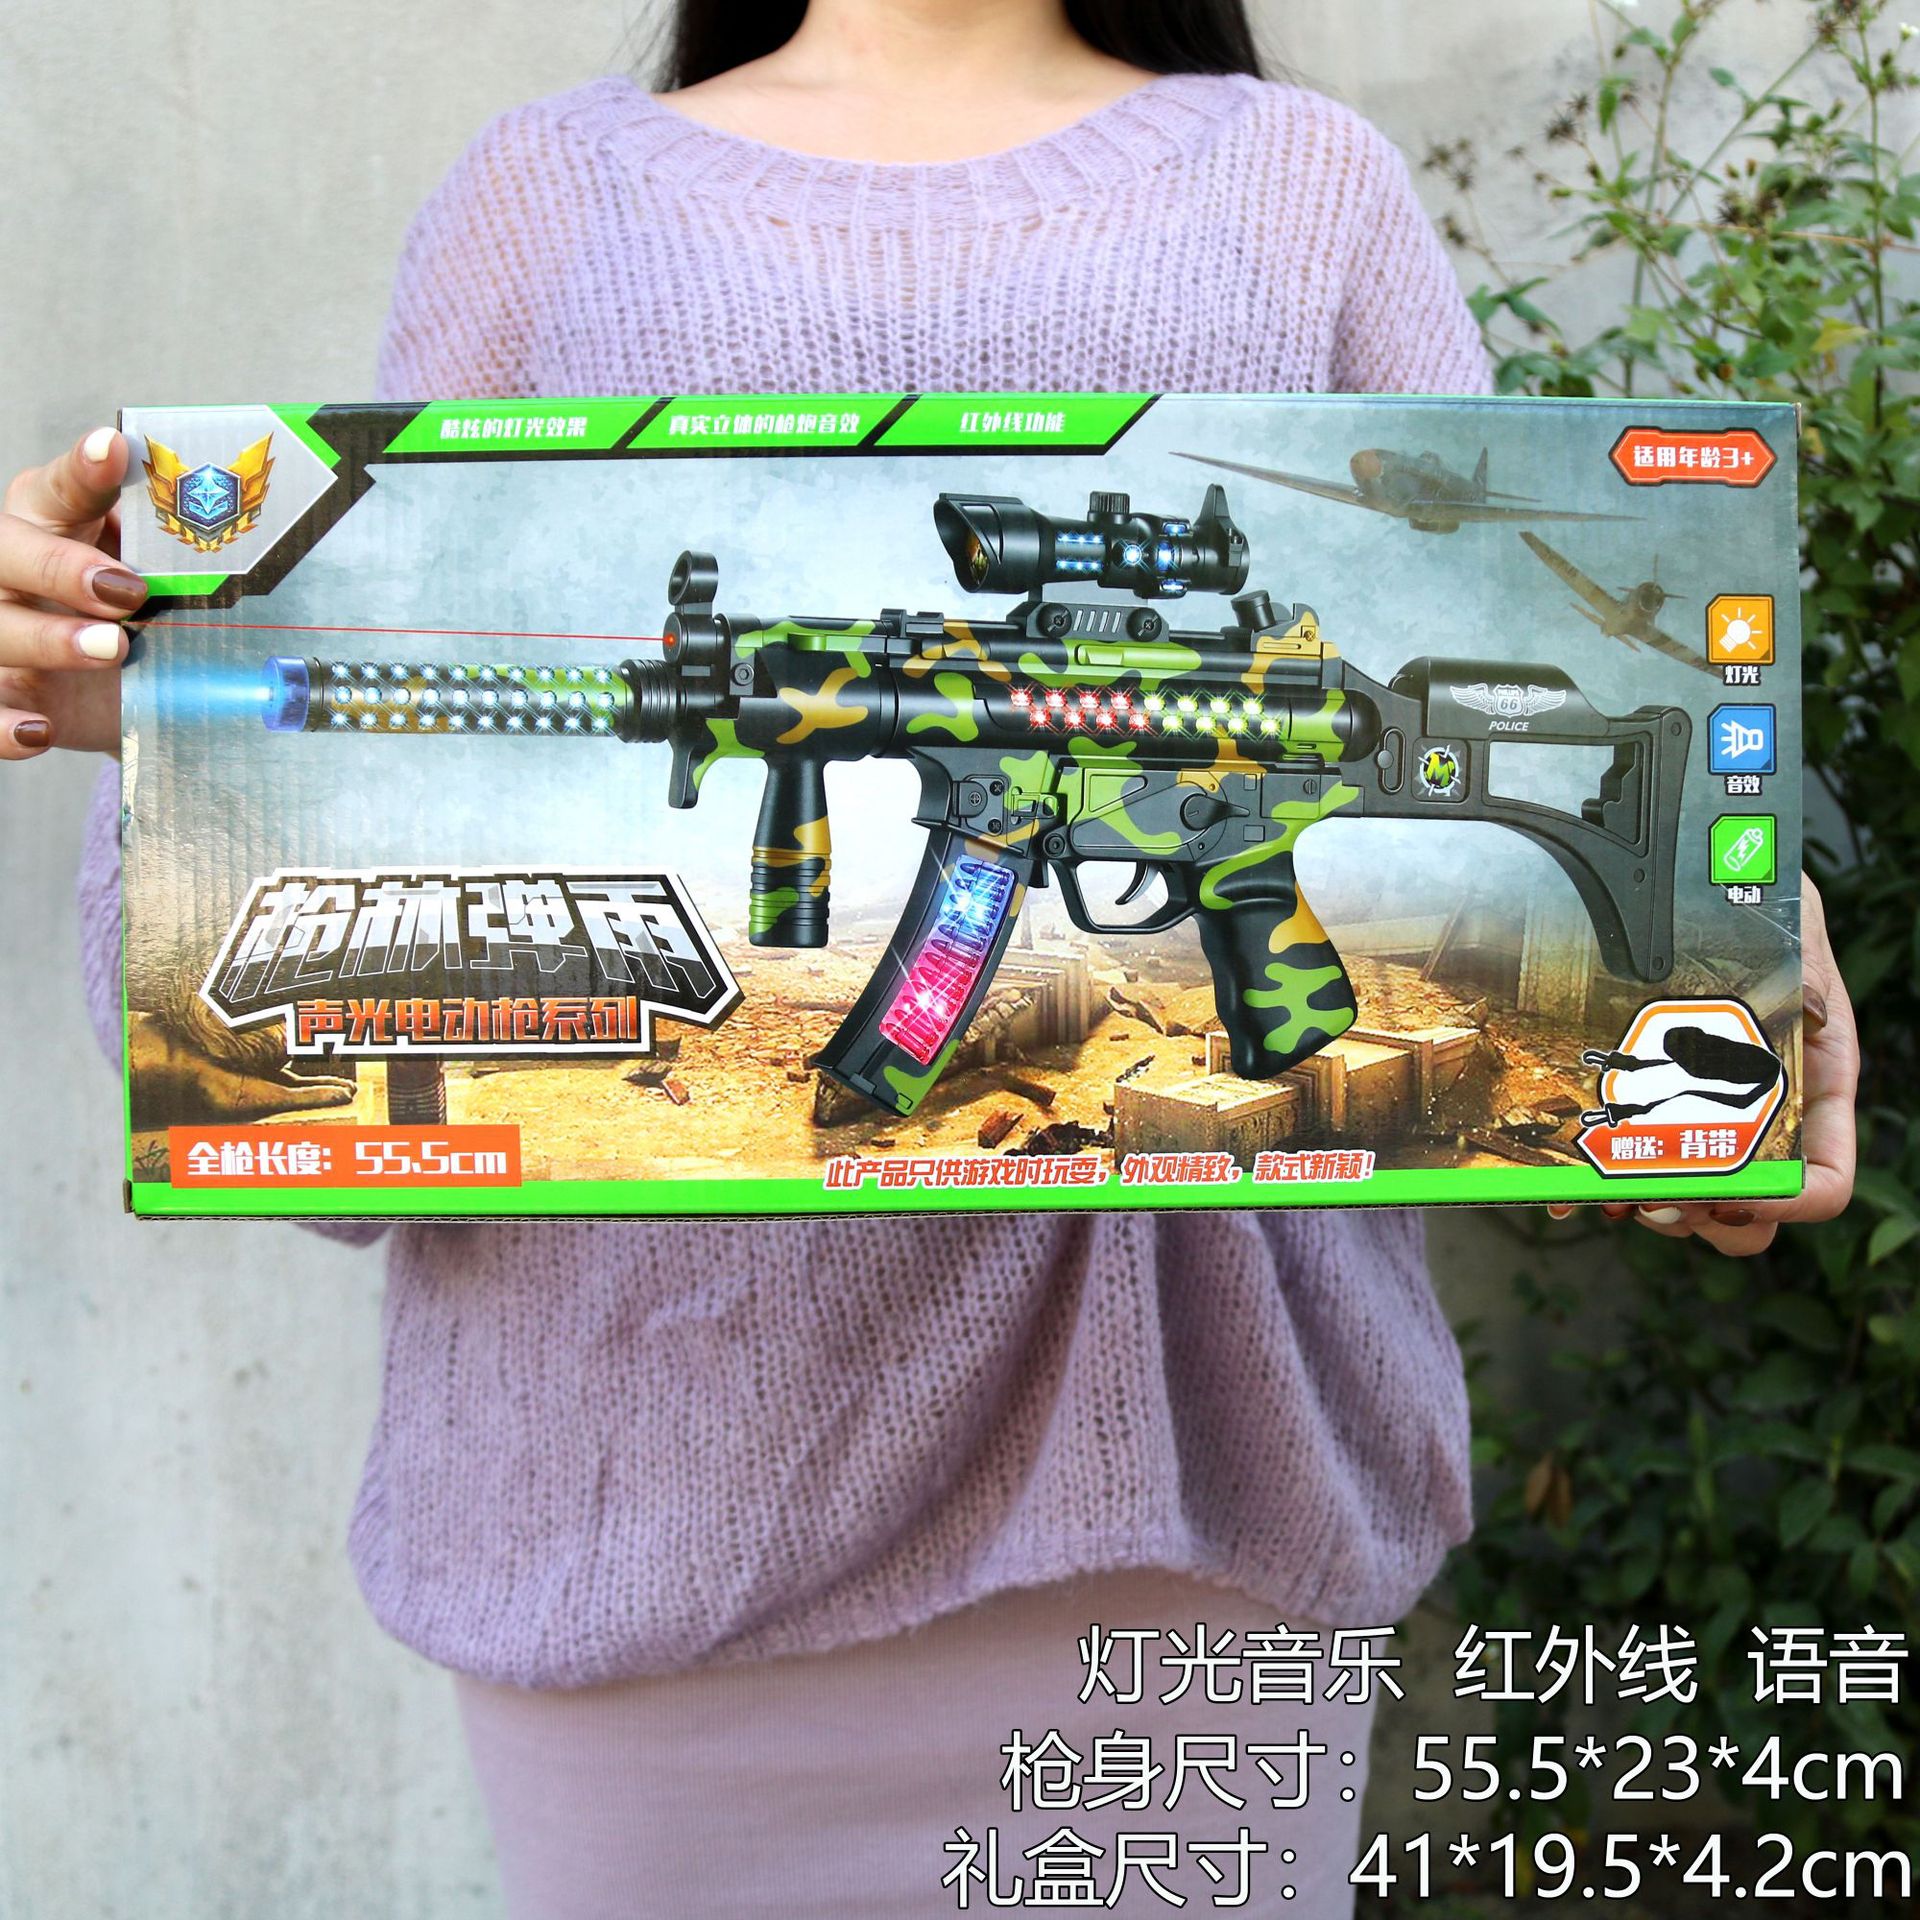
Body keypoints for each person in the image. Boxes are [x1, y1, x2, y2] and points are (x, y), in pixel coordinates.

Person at [0, 2, 1859, 1914]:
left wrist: (1745, 974)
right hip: (640, 1540)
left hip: (1205, 1542)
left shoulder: (1305, 189)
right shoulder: (544, 196)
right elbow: (309, 1078)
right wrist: (157, 723)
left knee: (1231, 919)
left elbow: (1584, 648)